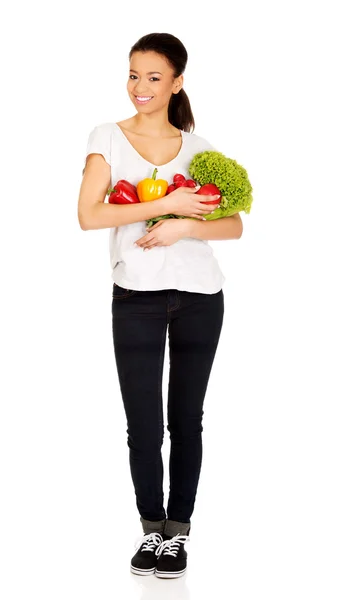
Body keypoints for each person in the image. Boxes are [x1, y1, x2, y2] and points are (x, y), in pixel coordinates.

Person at [78, 32, 243, 579]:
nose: (140, 87)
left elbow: (234, 224)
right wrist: (169, 202)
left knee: (186, 420)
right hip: (136, 300)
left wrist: (179, 225)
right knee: (143, 425)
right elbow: (90, 215)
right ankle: (151, 530)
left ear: (177, 83)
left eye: (153, 77)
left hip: (201, 297)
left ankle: (178, 535)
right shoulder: (108, 136)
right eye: (133, 74)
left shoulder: (201, 151)